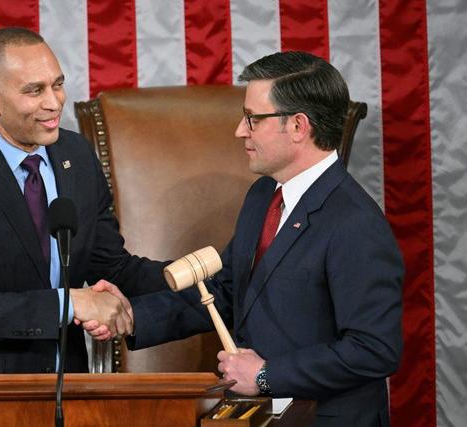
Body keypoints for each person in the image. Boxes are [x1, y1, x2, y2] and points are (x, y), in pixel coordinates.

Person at [95, 52, 404, 426]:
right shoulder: (263, 196)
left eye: (253, 119)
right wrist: (132, 317)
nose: (240, 131)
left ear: (298, 126)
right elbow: (228, 292)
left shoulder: (355, 222)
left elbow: (374, 350)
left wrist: (265, 375)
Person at [0, 27, 166, 405]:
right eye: (34, 90)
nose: (54, 102)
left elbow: (112, 267)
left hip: (64, 390)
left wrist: (196, 272)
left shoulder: (76, 156)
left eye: (57, 84)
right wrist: (72, 304)